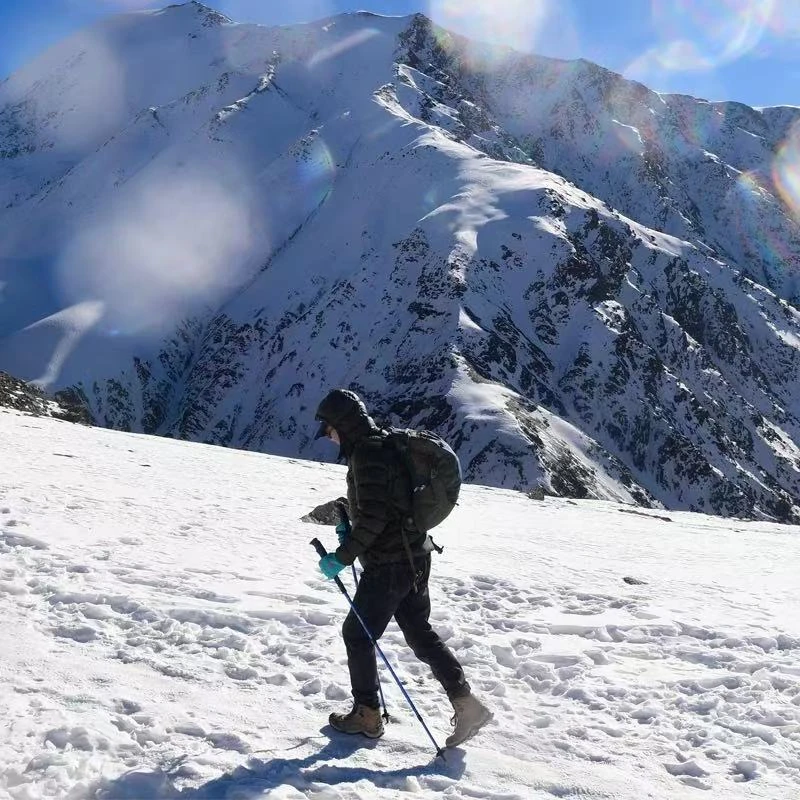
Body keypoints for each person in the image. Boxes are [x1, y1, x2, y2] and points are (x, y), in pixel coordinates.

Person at [313, 388, 492, 747]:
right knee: (419, 633)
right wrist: (350, 524)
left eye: (329, 429)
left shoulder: (367, 454)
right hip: (414, 556)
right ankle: (467, 704)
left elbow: (376, 516)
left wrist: (342, 556)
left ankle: (367, 714)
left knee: (357, 634)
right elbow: (383, 505)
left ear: (343, 425)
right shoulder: (383, 445)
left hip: (389, 565)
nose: (328, 437)